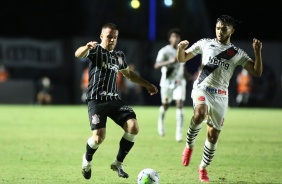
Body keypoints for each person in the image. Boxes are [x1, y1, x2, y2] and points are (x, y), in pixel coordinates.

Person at [177, 15, 263, 182]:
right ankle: (189, 146)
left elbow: (257, 72)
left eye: (224, 29)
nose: (219, 31)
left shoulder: (236, 53)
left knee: (213, 136)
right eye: (217, 28)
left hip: (221, 96)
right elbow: (183, 58)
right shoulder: (205, 43)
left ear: (232, 30)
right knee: (199, 113)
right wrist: (181, 49)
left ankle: (202, 168)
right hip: (202, 88)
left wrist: (257, 53)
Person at [74, 23, 158, 180]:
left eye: (115, 37)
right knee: (99, 137)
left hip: (114, 99)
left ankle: (118, 163)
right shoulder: (95, 50)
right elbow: (78, 54)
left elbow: (129, 74)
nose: (112, 40)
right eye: (109, 36)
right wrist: (86, 47)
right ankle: (87, 159)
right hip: (96, 100)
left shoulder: (119, 56)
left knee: (133, 126)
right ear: (101, 37)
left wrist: (147, 85)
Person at [154, 28, 192, 142]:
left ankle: (179, 133)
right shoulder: (165, 51)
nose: (175, 38)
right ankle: (161, 121)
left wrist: (188, 76)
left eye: (177, 36)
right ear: (170, 38)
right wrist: (170, 61)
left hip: (179, 82)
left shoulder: (182, 51)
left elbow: (182, 66)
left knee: (179, 103)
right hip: (167, 82)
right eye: (173, 36)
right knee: (165, 104)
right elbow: (156, 65)